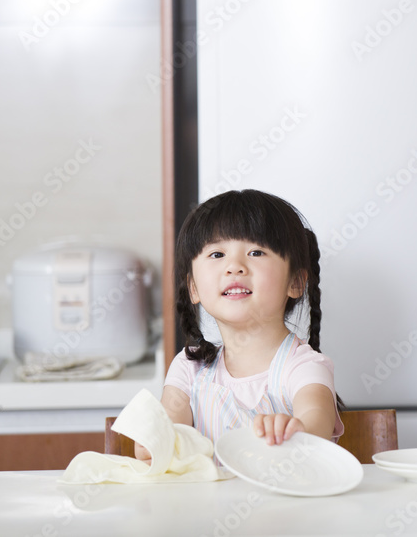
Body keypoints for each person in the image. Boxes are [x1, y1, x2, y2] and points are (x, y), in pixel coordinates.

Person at [135, 189, 343, 461]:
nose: (235, 266)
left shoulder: (303, 366)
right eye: (217, 254)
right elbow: (167, 441)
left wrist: (297, 431)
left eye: (256, 252)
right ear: (194, 288)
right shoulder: (190, 369)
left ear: (295, 282)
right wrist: (157, 444)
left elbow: (317, 420)